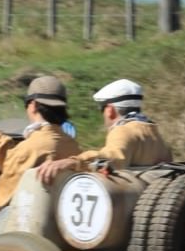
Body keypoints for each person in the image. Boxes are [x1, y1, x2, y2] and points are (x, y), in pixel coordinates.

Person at [0, 75, 80, 214]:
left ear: (33, 106)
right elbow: (13, 160)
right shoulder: (72, 145)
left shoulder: (30, 148)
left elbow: (0, 205)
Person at [37, 78, 172, 184]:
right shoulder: (156, 134)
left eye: (102, 109)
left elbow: (112, 158)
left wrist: (74, 161)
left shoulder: (123, 131)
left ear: (109, 110)